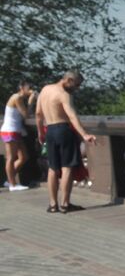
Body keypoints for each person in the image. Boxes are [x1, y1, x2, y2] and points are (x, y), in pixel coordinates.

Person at [35, 69, 96, 213]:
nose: (77, 89)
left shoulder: (45, 90)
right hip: (63, 130)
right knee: (67, 167)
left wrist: (40, 132)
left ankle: (52, 204)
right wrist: (84, 134)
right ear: (69, 80)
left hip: (49, 130)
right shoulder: (64, 95)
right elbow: (72, 116)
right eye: (77, 85)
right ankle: (65, 204)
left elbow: (38, 114)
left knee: (52, 168)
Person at [1, 79, 36, 191]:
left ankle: (8, 180)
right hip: (10, 130)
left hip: (16, 131)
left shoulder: (19, 98)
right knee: (11, 158)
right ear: (21, 87)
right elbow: (26, 115)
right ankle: (12, 185)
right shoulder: (17, 98)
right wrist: (31, 101)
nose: (30, 90)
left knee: (24, 157)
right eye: (28, 87)